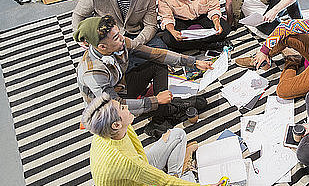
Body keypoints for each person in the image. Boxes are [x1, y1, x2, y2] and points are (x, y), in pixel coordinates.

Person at [82, 93, 226, 186]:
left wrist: (159, 174)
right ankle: (180, 175)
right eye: (122, 108)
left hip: (138, 171)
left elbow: (140, 155)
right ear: (116, 124)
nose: (127, 107)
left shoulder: (110, 131)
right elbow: (161, 180)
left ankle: (176, 175)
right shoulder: (124, 161)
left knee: (177, 134)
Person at [74, 15, 212, 131]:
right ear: (102, 47)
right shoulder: (93, 72)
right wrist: (155, 100)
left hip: (122, 86)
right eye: (116, 38)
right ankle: (164, 110)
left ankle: (162, 112)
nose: (122, 38)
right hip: (106, 109)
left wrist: (193, 62)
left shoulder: (121, 42)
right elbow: (115, 104)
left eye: (119, 33)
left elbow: (155, 54)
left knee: (158, 64)